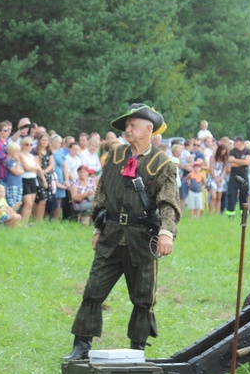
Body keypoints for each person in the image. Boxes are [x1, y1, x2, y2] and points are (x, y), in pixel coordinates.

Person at [64, 104, 181, 360]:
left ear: (148, 129)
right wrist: (97, 227)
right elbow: (101, 193)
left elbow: (169, 202)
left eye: (133, 125)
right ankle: (81, 347)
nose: (128, 129)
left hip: (142, 239)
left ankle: (136, 350)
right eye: (126, 126)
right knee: (93, 291)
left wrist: (166, 233)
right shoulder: (115, 156)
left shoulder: (163, 163)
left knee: (143, 299)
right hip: (112, 235)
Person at [224, 136, 250, 217]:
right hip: (234, 176)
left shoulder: (248, 151)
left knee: (244, 196)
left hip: (244, 175)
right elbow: (231, 162)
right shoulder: (232, 151)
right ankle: (230, 214)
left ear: (240, 142)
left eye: (235, 142)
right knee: (232, 195)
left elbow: (247, 162)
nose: (234, 143)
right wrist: (243, 162)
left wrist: (236, 161)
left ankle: (243, 214)